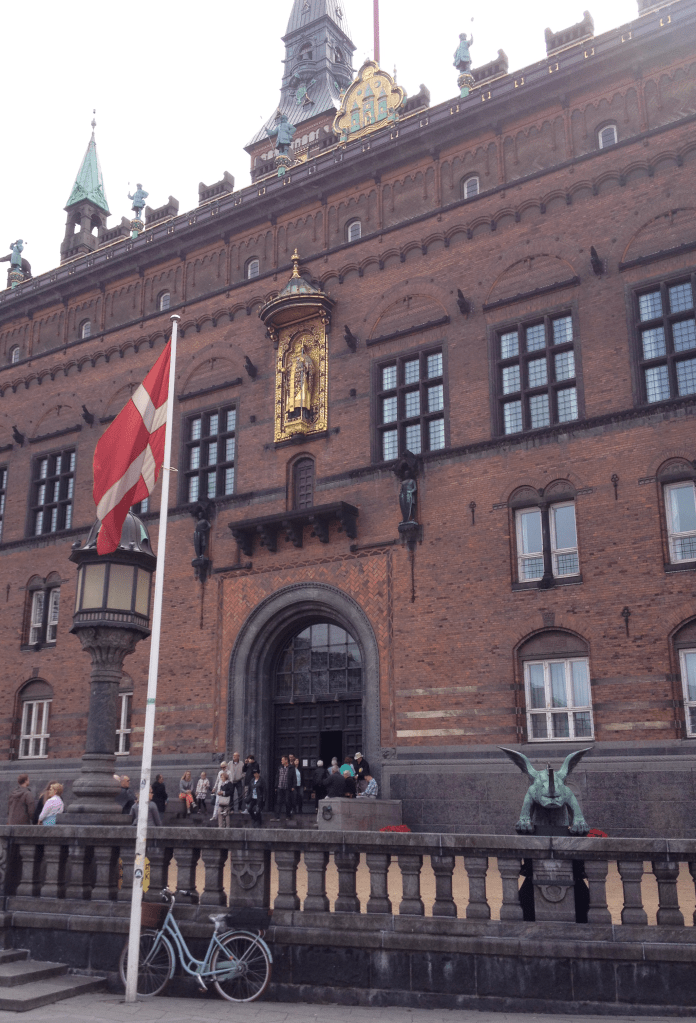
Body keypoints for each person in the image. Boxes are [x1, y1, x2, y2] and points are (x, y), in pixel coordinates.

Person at [271, 756, 294, 820]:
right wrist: (276, 786)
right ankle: (277, 816)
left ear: (286, 760)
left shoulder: (291, 768)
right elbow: (277, 777)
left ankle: (288, 816)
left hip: (287, 787)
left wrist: (293, 786)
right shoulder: (280, 767)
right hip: (280, 787)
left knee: (287, 801)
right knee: (278, 802)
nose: (281, 761)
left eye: (282, 760)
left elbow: (293, 777)